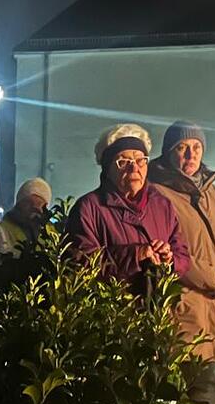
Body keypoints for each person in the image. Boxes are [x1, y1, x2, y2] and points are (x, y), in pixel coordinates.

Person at [147, 122, 215, 377]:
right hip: (183, 306)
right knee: (179, 388)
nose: (191, 155)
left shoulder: (211, 192)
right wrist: (213, 279)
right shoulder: (156, 193)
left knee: (202, 387)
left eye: (197, 147)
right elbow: (166, 248)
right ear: (169, 151)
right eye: (182, 147)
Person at [65, 124, 190, 293]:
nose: (134, 168)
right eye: (123, 162)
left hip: (156, 307)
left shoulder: (162, 205)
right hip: (112, 307)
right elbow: (80, 263)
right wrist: (136, 255)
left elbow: (182, 255)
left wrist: (170, 260)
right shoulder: (89, 208)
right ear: (107, 168)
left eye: (140, 160)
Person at [0, 177, 52, 260]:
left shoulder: (49, 237)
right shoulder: (0, 231)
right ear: (19, 203)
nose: (35, 207)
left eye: (40, 203)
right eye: (29, 202)